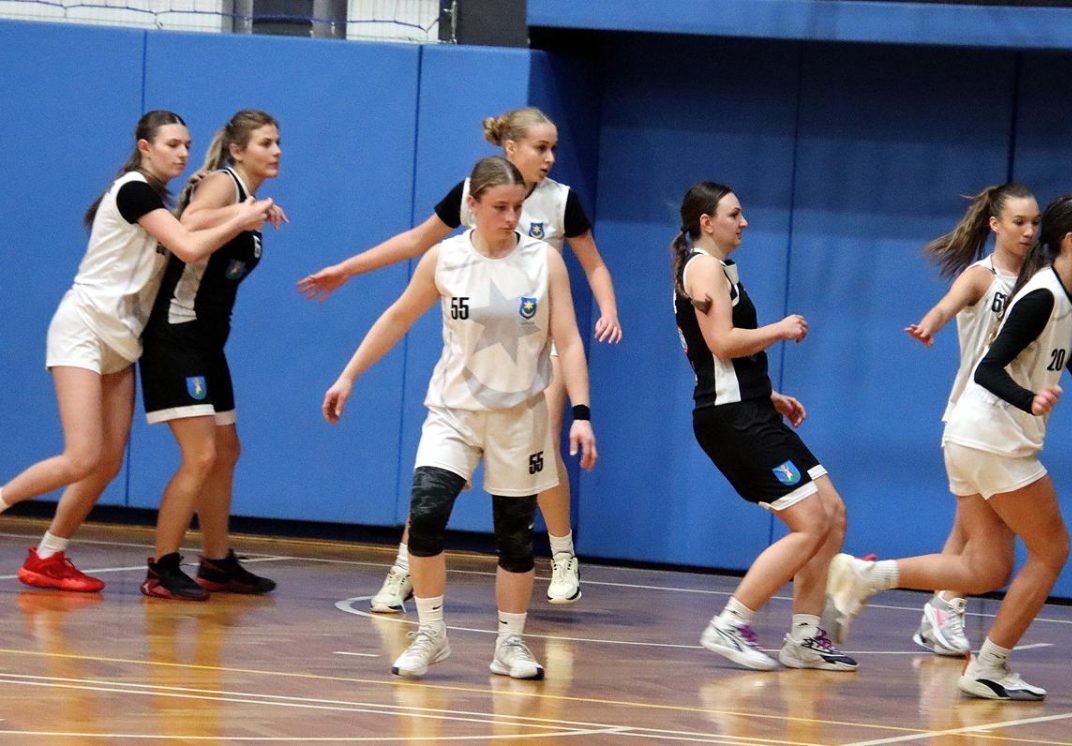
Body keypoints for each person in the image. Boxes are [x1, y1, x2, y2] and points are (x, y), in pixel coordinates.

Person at [829, 193, 1072, 700]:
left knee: (985, 568)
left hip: (970, 439)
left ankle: (865, 575)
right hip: (993, 440)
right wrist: (1030, 399)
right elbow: (987, 368)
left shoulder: (1065, 297)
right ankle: (990, 664)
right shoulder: (1041, 296)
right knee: (1052, 550)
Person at [300, 107, 618, 610]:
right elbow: (414, 243)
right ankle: (405, 567)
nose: (550, 157)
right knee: (432, 485)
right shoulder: (471, 197)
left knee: (548, 441)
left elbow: (594, 265)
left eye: (554, 148)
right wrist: (348, 268)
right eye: (541, 147)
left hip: (541, 339)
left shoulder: (560, 203)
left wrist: (608, 309)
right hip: (482, 341)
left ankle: (561, 555)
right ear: (510, 149)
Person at [322, 156, 597, 679]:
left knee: (514, 538)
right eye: (500, 207)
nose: (511, 217)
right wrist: (348, 375)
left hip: (520, 417)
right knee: (426, 516)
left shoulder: (544, 262)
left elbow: (569, 340)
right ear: (472, 205)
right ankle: (431, 633)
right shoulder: (444, 258)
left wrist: (581, 413)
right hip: (453, 412)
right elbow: (398, 316)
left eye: (517, 207)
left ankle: (510, 644)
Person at [0, 111, 273, 591]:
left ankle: (48, 556)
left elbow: (189, 226)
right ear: (145, 147)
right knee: (82, 457)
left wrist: (225, 207)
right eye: (171, 144)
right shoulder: (133, 190)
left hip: (124, 337)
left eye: (187, 145)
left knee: (107, 462)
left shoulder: (161, 201)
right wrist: (242, 215)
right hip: (84, 327)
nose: (183, 153)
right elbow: (189, 246)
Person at [672, 181, 856, 672]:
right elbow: (722, 342)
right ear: (707, 222)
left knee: (832, 513)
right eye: (734, 214)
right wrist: (780, 329)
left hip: (750, 408)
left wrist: (766, 392)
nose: (744, 222)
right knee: (811, 522)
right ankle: (730, 623)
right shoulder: (703, 266)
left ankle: (805, 637)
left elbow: (713, 353)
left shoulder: (715, 268)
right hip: (732, 420)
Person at [138, 110, 288, 600]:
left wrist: (251, 212)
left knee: (226, 451)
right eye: (265, 143)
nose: (276, 151)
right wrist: (244, 213)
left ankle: (217, 562)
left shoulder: (246, 199)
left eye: (278, 142)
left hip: (207, 342)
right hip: (175, 335)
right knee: (201, 455)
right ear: (238, 151)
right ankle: (162, 567)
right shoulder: (224, 184)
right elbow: (191, 221)